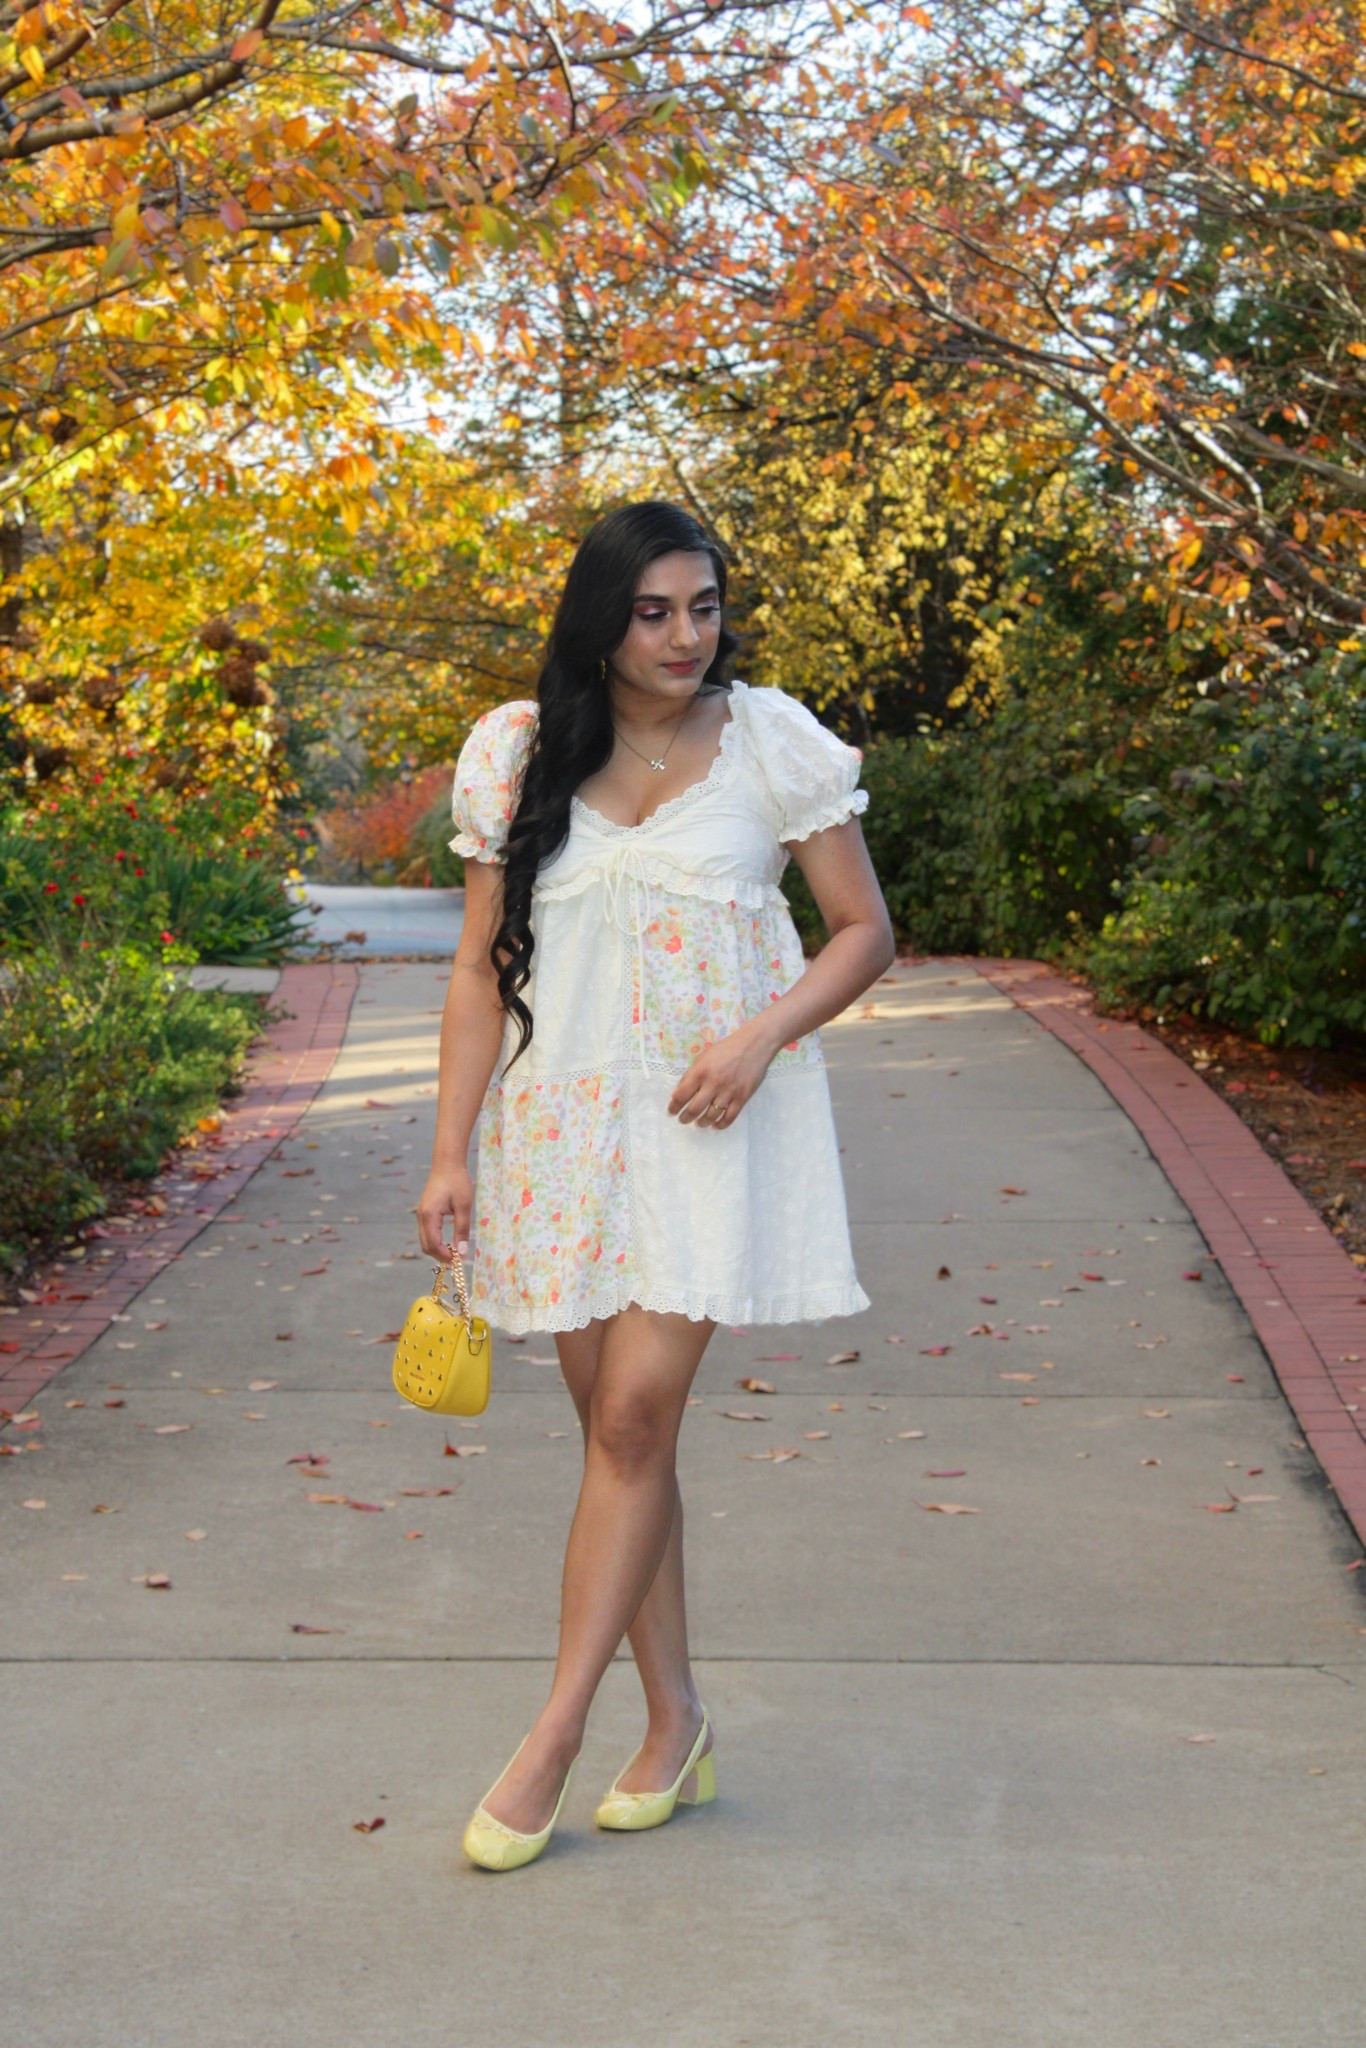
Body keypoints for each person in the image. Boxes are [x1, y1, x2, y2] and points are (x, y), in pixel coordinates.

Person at [416, 500, 895, 1871]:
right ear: (601, 620)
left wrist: (758, 1037)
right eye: (653, 612)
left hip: (704, 1127)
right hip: (556, 1135)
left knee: (631, 1421)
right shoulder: (519, 753)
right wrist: (451, 1150)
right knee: (619, 1444)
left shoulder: (769, 743)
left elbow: (862, 932)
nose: (686, 636)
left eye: (703, 606)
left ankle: (553, 1736)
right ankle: (676, 1717)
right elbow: (477, 970)